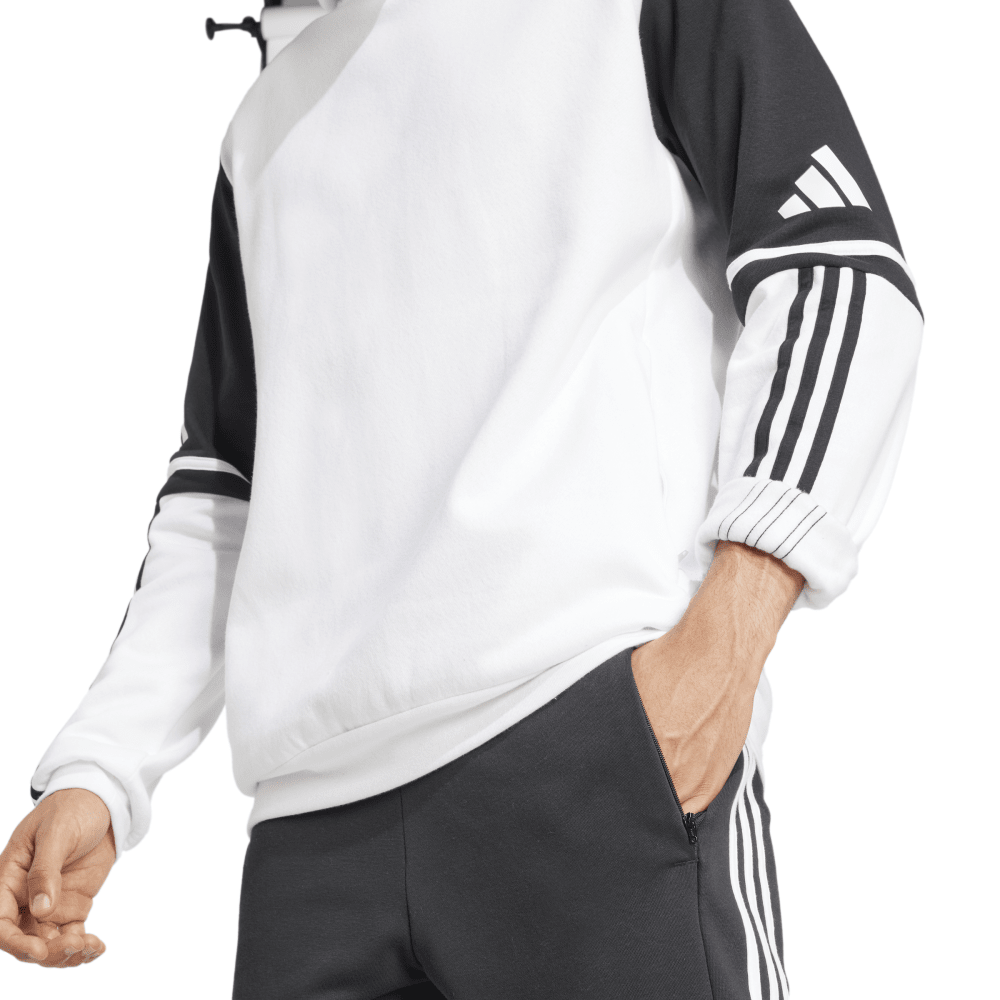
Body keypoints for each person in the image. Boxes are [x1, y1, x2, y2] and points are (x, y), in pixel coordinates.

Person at [0, 0, 923, 995]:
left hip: (587, 751)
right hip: (311, 842)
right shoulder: (263, 126)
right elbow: (223, 492)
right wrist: (102, 766)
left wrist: (725, 645)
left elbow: (838, 271)